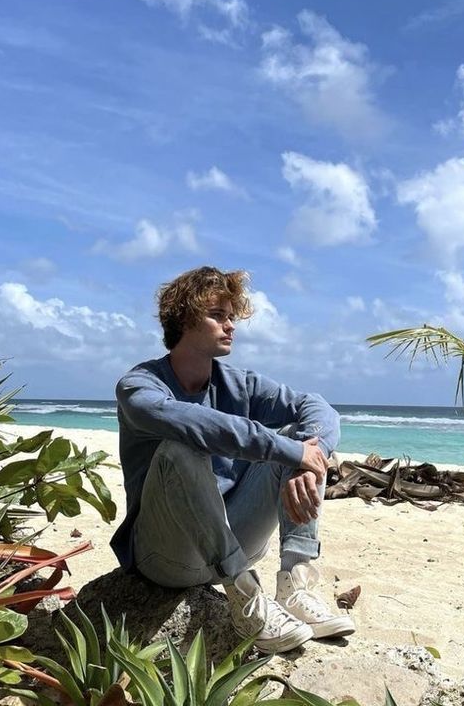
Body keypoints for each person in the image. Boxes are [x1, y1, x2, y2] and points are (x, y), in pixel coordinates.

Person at [111, 266, 355, 653]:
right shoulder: (139, 387)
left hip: (236, 536)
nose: (231, 327)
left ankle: (295, 584)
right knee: (182, 446)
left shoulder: (238, 382)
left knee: (301, 440)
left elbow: (318, 407)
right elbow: (203, 426)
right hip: (164, 555)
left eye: (232, 317)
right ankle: (246, 598)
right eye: (218, 316)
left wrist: (310, 456)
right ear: (185, 319)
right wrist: (292, 452)